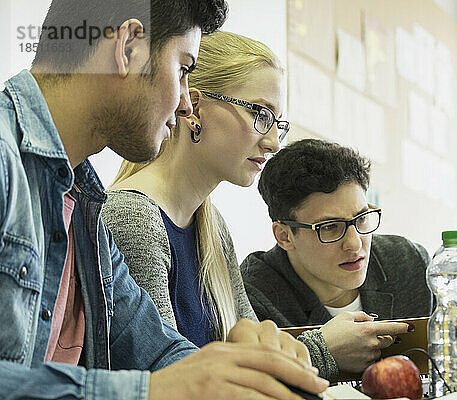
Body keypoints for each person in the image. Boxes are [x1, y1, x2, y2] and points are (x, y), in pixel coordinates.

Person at [0, 2, 328, 399]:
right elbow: (158, 381)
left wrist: (239, 368)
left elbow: (157, 351)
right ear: (127, 49)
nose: (187, 103)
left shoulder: (83, 208)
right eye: (184, 69)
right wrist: (150, 391)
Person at [100, 31, 363, 382]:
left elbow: (255, 355)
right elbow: (179, 380)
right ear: (193, 108)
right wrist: (322, 349)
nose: (271, 143)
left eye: (278, 125)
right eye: (260, 114)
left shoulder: (212, 226)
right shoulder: (132, 218)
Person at [240, 138, 433, 378]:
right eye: (330, 226)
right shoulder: (254, 295)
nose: (354, 243)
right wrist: (320, 353)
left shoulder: (407, 262)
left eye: (362, 218)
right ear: (285, 236)